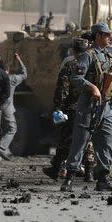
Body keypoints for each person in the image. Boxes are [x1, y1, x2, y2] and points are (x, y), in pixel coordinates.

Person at [60, 22, 112, 192]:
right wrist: (92, 87)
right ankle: (69, 178)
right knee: (80, 141)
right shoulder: (88, 56)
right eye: (107, 34)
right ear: (98, 36)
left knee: (108, 142)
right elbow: (76, 78)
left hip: (106, 106)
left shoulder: (108, 57)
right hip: (88, 105)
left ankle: (103, 179)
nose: (110, 37)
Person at [43, 38, 95, 181]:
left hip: (72, 108)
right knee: (87, 140)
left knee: (65, 140)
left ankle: (56, 168)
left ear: (73, 51)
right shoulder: (94, 65)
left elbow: (63, 89)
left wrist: (58, 107)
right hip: (90, 108)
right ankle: (89, 172)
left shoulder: (70, 65)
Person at [0, 53, 28, 161]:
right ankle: (1, 148)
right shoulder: (11, 79)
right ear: (8, 69)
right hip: (7, 108)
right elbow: (24, 74)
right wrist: (19, 60)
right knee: (12, 128)